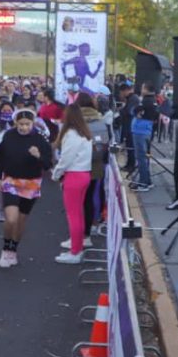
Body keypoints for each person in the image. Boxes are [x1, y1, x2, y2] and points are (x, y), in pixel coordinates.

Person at [0, 108, 53, 268]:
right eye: (21, 124)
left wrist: (38, 156)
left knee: (21, 220)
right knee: (11, 218)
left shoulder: (40, 139)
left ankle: (13, 250)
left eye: (27, 124)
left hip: (31, 183)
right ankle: (5, 248)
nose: (24, 127)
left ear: (33, 123)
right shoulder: (9, 136)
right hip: (11, 180)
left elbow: (48, 164)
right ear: (15, 123)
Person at [52, 104, 93, 264]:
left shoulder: (71, 134)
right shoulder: (84, 133)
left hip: (74, 176)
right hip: (83, 174)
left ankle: (75, 251)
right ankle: (76, 243)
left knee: (73, 215)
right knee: (78, 213)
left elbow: (66, 158)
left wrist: (56, 174)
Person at [78, 92, 109, 246]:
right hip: (96, 164)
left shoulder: (75, 121)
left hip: (78, 165)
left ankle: (78, 235)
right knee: (91, 197)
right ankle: (89, 231)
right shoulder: (100, 119)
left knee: (76, 201)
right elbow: (106, 142)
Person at [131, 83, 159, 190]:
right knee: (145, 157)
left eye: (143, 88)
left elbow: (135, 110)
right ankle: (147, 180)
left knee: (141, 157)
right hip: (147, 130)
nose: (141, 90)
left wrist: (136, 112)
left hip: (140, 131)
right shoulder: (154, 100)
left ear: (146, 89)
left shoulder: (145, 101)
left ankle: (143, 183)